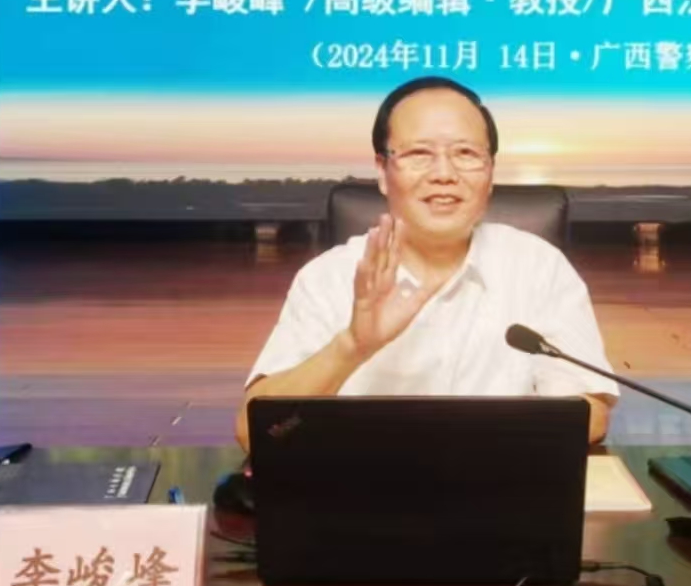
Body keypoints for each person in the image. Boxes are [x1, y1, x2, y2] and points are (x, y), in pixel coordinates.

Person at [236, 76, 619, 452]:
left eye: (466, 154)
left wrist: (457, 448)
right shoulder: (328, 277)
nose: (444, 175)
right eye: (419, 154)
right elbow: (256, 432)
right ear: (382, 171)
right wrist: (351, 346)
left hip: (497, 481)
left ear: (490, 172)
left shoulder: (538, 267)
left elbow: (590, 414)